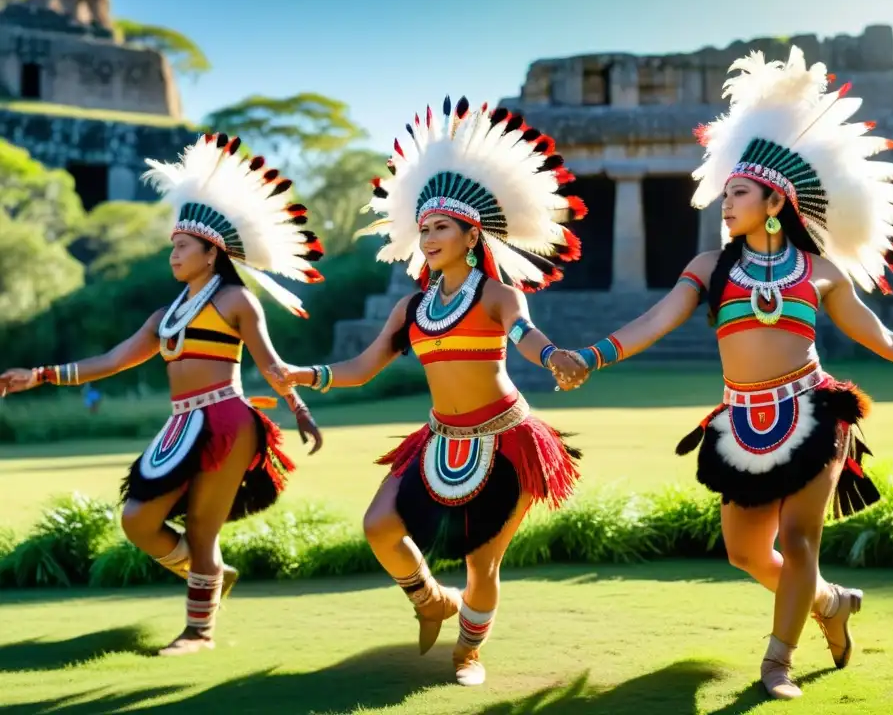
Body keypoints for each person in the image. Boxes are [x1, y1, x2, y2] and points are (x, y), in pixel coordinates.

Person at [551, 48, 893, 700]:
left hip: (815, 412)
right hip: (740, 419)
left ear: (773, 202)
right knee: (743, 551)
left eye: (737, 192)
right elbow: (654, 320)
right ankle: (831, 604)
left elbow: (880, 337)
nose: (723, 202)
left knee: (797, 539)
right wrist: (588, 358)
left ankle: (777, 663)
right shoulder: (710, 267)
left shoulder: (821, 273)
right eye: (726, 191)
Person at [270, 96, 588, 686]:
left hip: (508, 439)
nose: (428, 237)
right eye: (423, 229)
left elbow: (524, 335)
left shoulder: (497, 295)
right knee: (378, 526)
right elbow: (364, 368)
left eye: (440, 227)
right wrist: (304, 373)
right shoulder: (412, 308)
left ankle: (468, 653)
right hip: (439, 438)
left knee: (482, 562)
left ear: (471, 235)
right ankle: (430, 600)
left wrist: (553, 357)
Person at [0, 133, 325, 656]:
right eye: (172, 245)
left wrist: (301, 410)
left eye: (181, 246)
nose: (172, 254)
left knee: (201, 529)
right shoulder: (165, 316)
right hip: (180, 423)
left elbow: (271, 366)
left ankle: (199, 632)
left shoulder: (237, 299)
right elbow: (110, 361)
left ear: (211, 250)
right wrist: (38, 374)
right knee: (138, 520)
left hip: (227, 422)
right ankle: (213, 578)